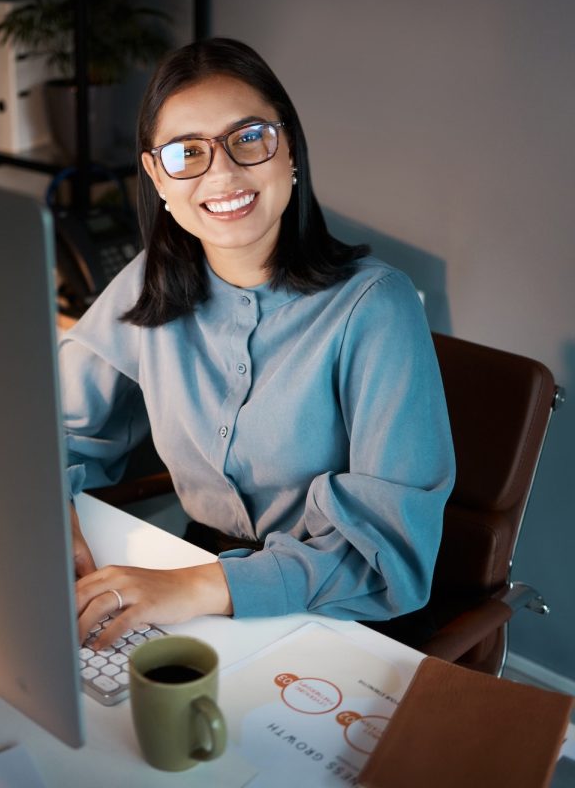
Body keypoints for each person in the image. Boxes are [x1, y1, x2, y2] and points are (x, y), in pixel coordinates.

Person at [61, 37, 455, 650]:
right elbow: (53, 428)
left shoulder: (377, 307)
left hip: (348, 616)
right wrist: (52, 512)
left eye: (248, 138)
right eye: (186, 152)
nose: (221, 173)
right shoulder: (149, 280)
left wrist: (196, 588)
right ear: (156, 176)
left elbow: (390, 558)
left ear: (288, 148)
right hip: (202, 580)